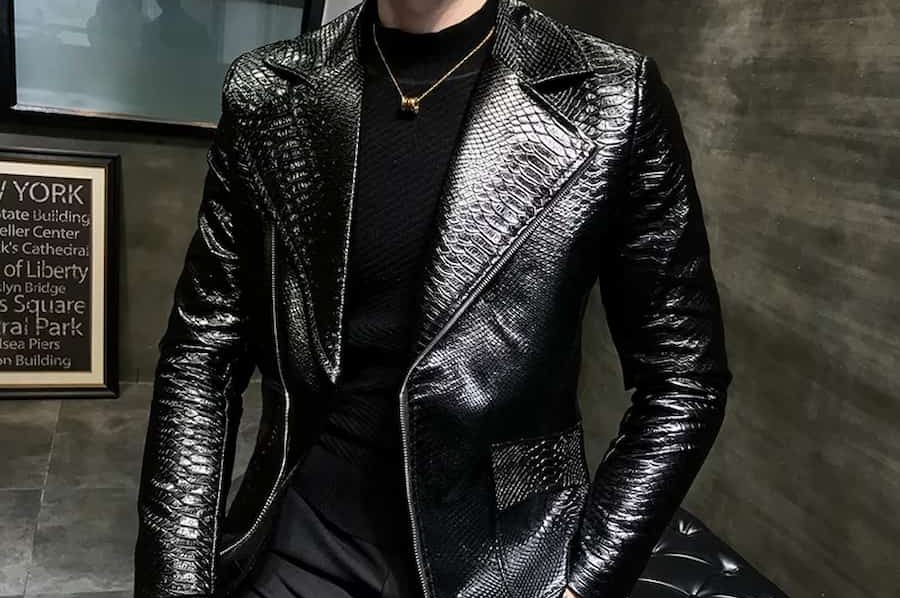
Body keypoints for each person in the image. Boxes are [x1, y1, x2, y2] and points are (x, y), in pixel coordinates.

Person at [133, 0, 733, 597]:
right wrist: (175, 582)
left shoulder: (613, 96)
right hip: (306, 531)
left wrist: (583, 582)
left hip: (509, 557)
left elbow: (684, 377)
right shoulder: (268, 89)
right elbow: (201, 352)